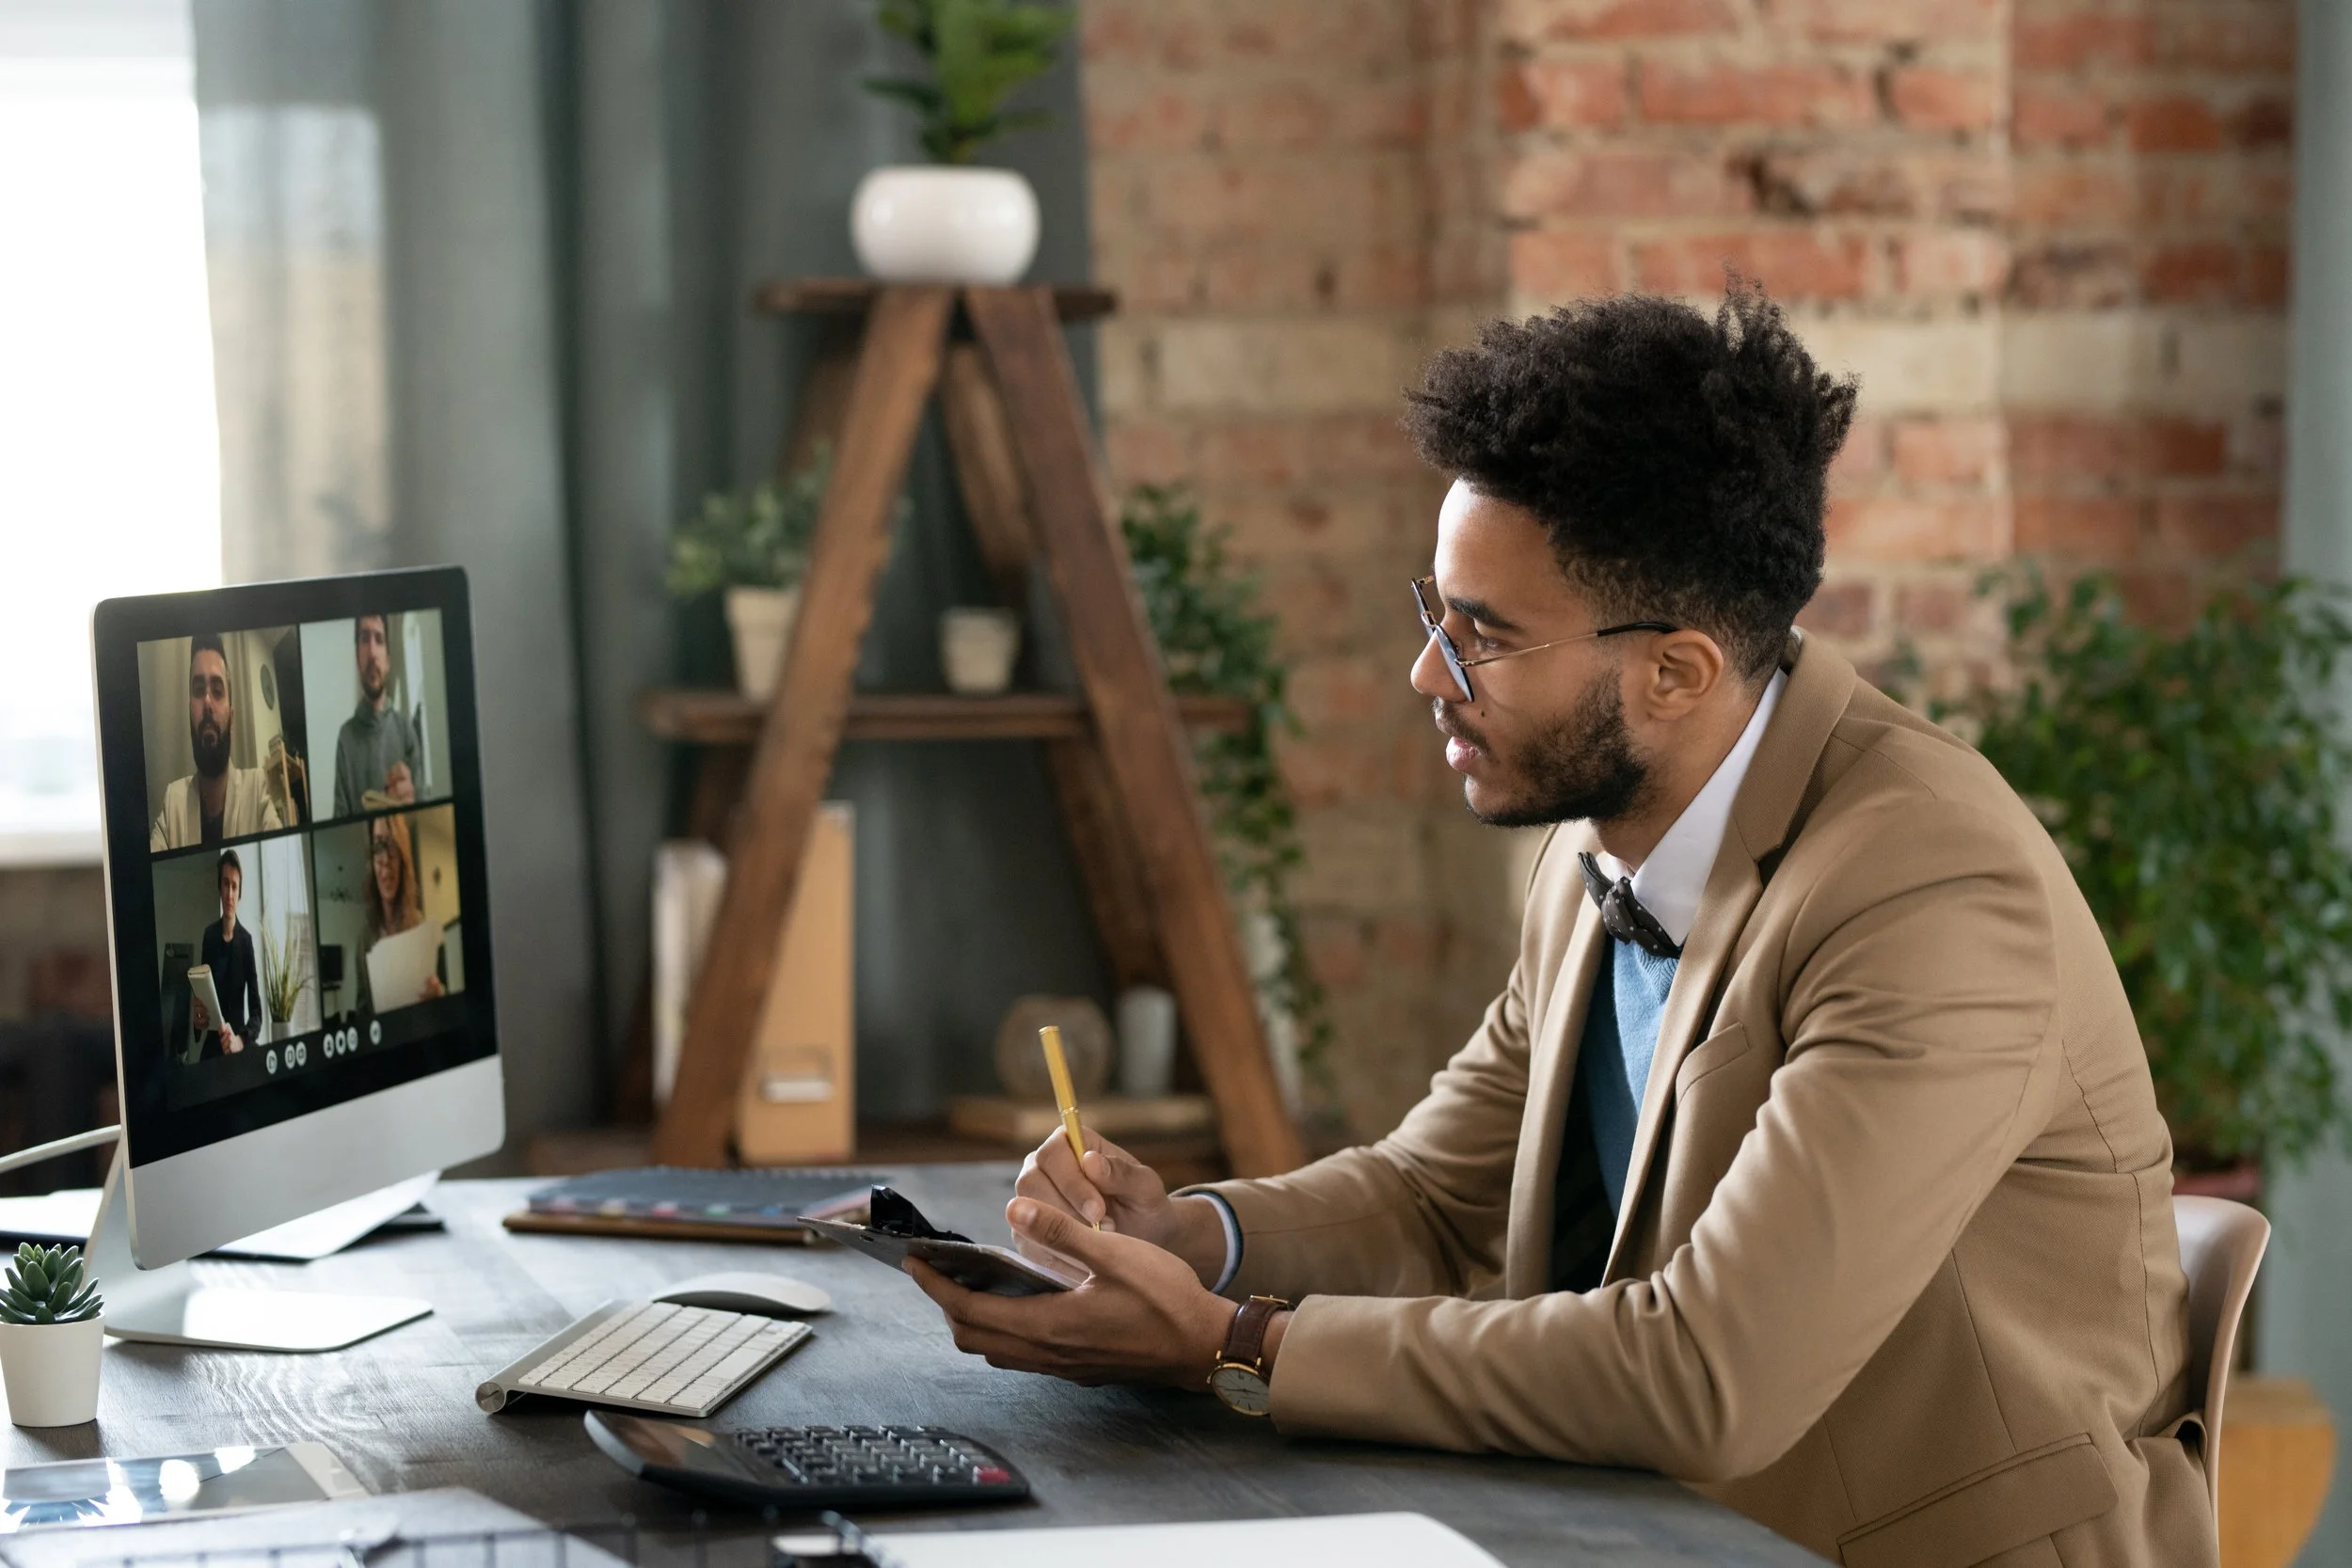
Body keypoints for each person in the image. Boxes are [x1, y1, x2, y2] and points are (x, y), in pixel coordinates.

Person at [906, 286, 2211, 1566]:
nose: (1430, 671)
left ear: (1678, 668)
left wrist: (1229, 1342)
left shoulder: (1929, 892)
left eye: (1484, 636)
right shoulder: (1601, 839)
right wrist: (1192, 1237)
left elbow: (1710, 1373)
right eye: (1436, 613)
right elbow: (1434, 1196)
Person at [150, 632, 284, 850]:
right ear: (189, 713)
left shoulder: (256, 791)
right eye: (199, 690)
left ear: (232, 716)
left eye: (218, 691)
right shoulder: (172, 801)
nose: (208, 702)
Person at [332, 613, 422, 817]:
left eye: (379, 640)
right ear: (357, 657)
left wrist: (413, 805)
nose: (372, 652)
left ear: (388, 661)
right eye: (364, 639)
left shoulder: (406, 729)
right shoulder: (345, 737)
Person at [359, 812, 443, 1010]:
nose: (386, 861)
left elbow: (444, 999)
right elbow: (362, 1008)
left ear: (403, 858)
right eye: (379, 846)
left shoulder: (424, 928)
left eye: (393, 847)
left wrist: (440, 994)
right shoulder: (364, 939)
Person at [191, 849, 262, 1057]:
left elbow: (257, 1012)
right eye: (225, 884)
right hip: (212, 1046)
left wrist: (240, 1041)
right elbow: (200, 999)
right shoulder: (209, 936)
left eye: (234, 886)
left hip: (238, 1045)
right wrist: (198, 1018)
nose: (230, 894)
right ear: (219, 888)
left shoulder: (246, 941)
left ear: (239, 893)